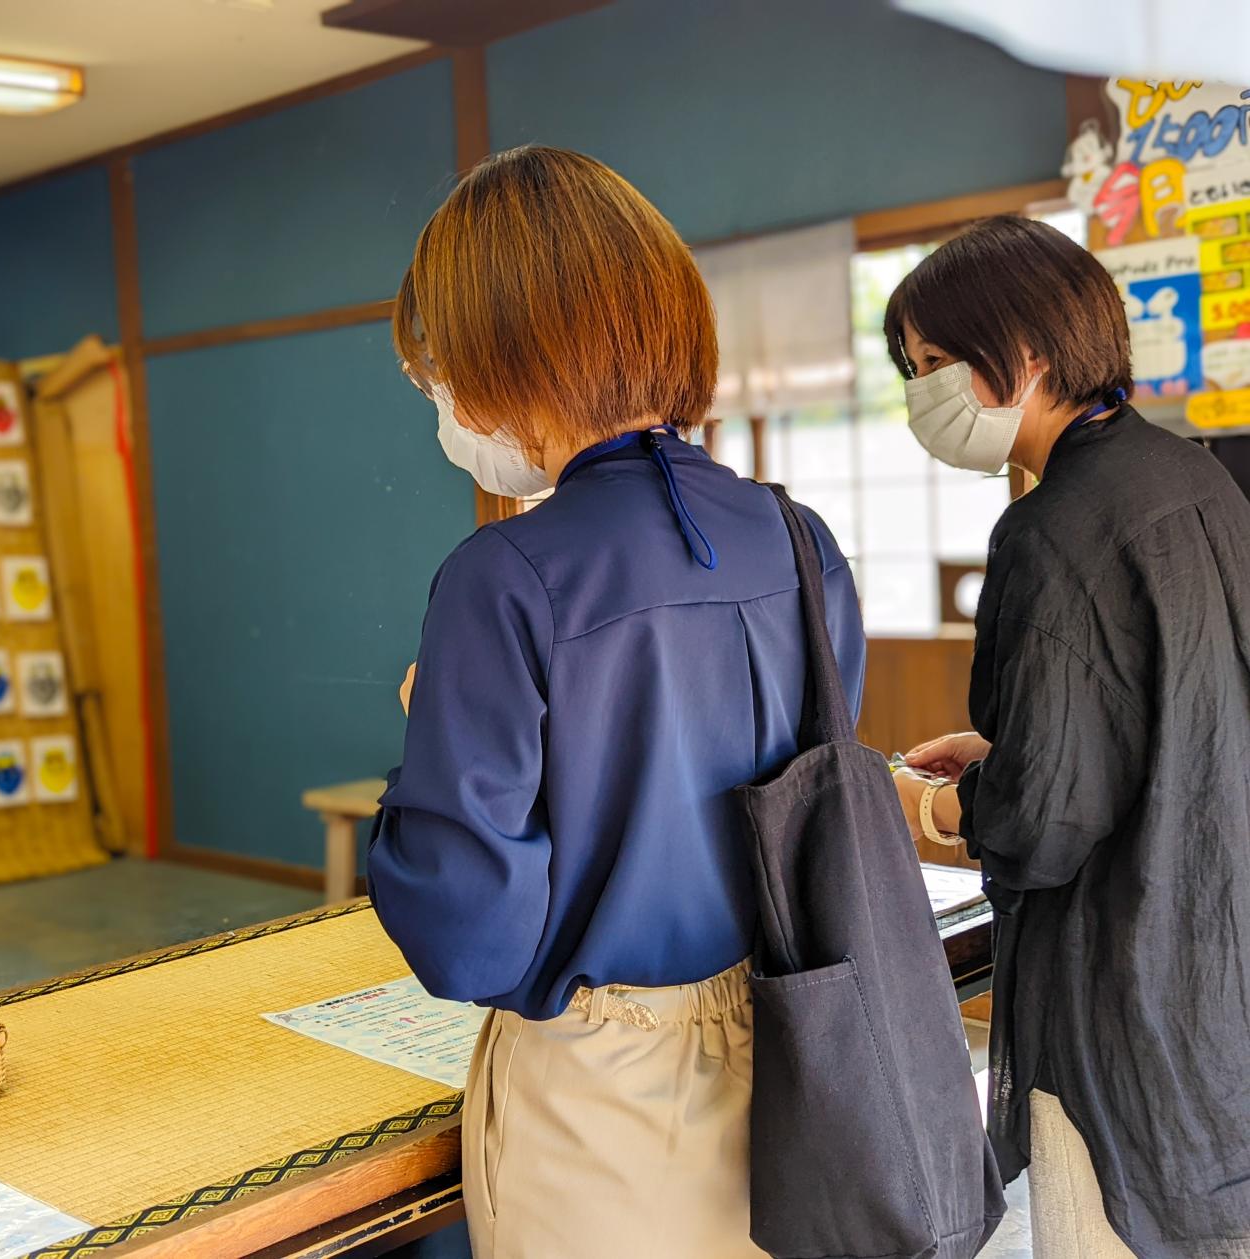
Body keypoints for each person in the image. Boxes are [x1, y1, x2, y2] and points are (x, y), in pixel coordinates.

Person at [367, 147, 864, 1259]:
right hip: (795, 1052)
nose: (441, 400)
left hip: (603, 1090)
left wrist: (427, 741)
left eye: (437, 368)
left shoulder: (505, 574)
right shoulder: (796, 539)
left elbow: (470, 938)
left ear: (503, 350)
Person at [887, 216, 1250, 1258]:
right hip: (1218, 958)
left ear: (1029, 351)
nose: (923, 394)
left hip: (1121, 994)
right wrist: (1010, 749)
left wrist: (938, 806)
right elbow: (1169, 710)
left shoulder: (1047, 532)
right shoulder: (1198, 480)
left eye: (934, 364)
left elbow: (1040, 826)